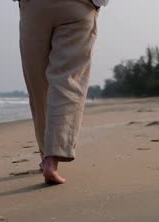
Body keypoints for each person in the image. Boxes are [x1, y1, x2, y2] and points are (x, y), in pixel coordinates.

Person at [18, 0, 109, 184]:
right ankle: (52, 157)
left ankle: (46, 154)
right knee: (67, 81)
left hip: (35, 7)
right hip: (78, 6)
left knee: (38, 83)